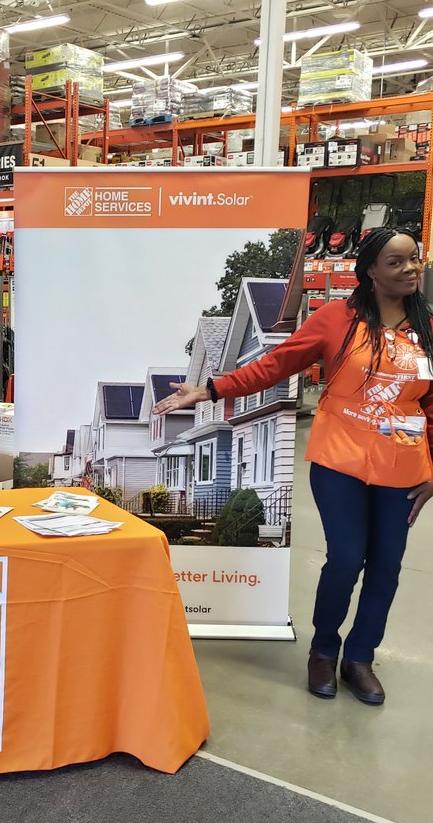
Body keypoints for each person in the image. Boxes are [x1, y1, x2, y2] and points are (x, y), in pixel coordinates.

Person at [154, 227, 433, 705]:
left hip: (402, 464)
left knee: (386, 567)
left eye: (414, 260)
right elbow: (276, 364)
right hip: (340, 457)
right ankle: (324, 651)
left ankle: (360, 657)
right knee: (346, 558)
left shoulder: (426, 325)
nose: (410, 269)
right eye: (396, 261)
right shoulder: (335, 318)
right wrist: (211, 389)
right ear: (369, 270)